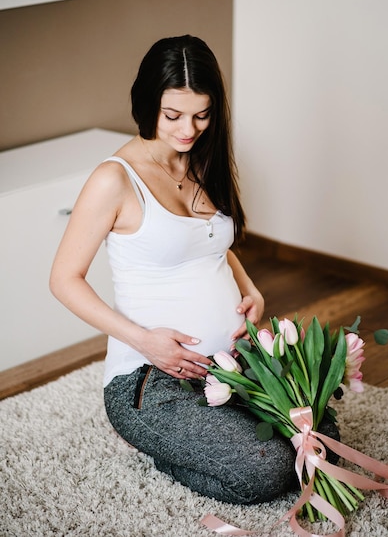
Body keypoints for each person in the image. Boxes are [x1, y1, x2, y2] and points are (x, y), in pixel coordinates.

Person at [50, 35, 302, 505]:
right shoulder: (114, 180)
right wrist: (143, 340)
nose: (189, 129)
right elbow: (63, 280)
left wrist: (250, 290)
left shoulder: (200, 159)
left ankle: (211, 437)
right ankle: (159, 448)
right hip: (151, 377)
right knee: (265, 472)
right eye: (173, 116)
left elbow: (210, 244)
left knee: (319, 431)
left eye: (202, 115)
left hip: (230, 366)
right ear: (147, 103)